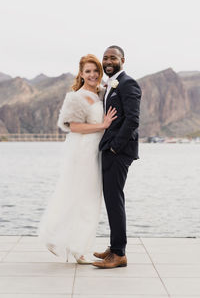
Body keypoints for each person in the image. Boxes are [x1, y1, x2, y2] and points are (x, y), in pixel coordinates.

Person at [38, 54, 117, 264]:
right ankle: (53, 236)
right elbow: (72, 126)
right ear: (81, 74)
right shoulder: (76, 97)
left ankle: (78, 247)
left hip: (97, 151)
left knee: (89, 199)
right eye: (88, 71)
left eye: (95, 71)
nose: (92, 75)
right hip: (83, 151)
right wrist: (103, 125)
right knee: (79, 196)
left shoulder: (101, 93)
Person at [92, 45, 142, 268]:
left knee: (115, 200)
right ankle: (114, 247)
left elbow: (132, 120)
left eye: (113, 57)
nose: (108, 61)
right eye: (105, 58)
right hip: (112, 149)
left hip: (119, 152)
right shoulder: (112, 85)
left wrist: (114, 148)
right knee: (112, 199)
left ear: (123, 60)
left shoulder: (128, 83)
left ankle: (119, 253)